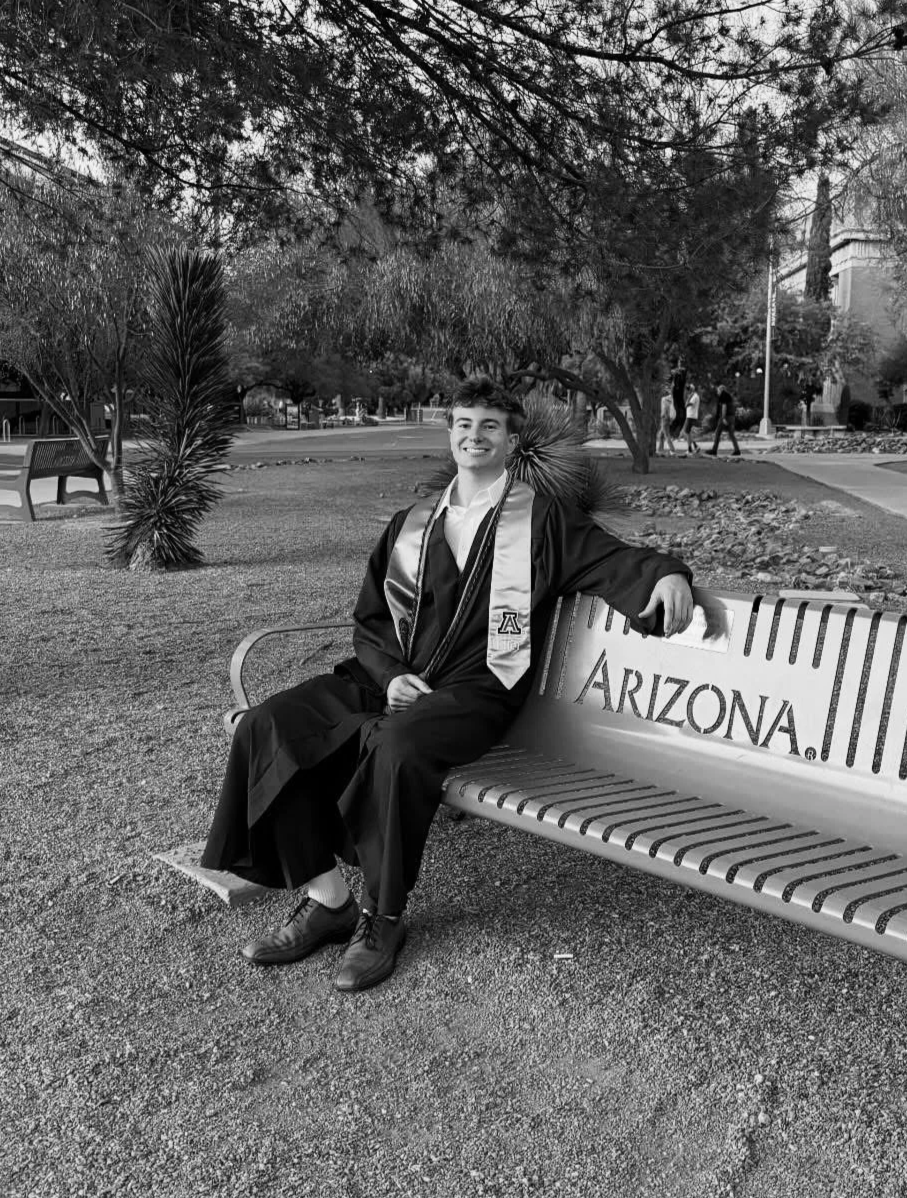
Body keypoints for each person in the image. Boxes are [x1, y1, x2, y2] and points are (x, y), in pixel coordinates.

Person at [201, 378, 694, 993]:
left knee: (396, 747)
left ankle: (382, 918)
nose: (474, 436)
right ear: (450, 433)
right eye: (463, 423)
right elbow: (371, 620)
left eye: (489, 426)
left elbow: (612, 559)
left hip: (476, 688)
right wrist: (391, 675)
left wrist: (668, 574)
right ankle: (329, 900)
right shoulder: (412, 523)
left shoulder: (540, 518)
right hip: (388, 678)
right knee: (269, 725)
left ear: (512, 441)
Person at [708, 384, 741, 457]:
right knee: (732, 434)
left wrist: (723, 418)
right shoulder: (729, 396)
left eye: (718, 391)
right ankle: (737, 450)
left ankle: (714, 450)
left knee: (717, 433)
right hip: (732, 417)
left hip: (726, 417)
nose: (717, 392)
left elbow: (724, 407)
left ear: (721, 390)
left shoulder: (723, 396)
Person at [655, 387, 676, 455]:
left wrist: (662, 415)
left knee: (666, 435)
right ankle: (660, 450)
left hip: (664, 418)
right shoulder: (674, 399)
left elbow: (665, 409)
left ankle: (672, 450)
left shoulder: (664, 399)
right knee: (661, 434)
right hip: (669, 418)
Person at [682, 384, 701, 455]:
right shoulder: (693, 396)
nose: (688, 391)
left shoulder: (694, 396)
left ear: (692, 390)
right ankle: (695, 447)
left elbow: (686, 405)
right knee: (688, 432)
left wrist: (688, 398)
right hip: (690, 416)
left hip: (691, 416)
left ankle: (691, 449)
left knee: (686, 432)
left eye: (689, 389)